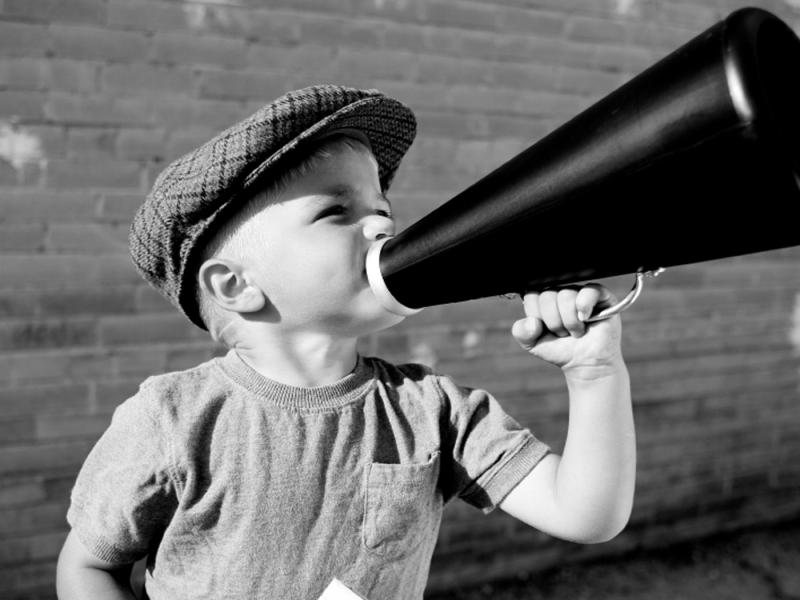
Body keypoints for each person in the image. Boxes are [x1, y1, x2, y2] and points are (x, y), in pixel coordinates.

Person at [55, 85, 635, 600]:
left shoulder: (433, 410)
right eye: (337, 210)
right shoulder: (172, 419)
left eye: (382, 209)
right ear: (236, 286)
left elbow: (586, 515)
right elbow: (88, 567)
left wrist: (595, 373)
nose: (384, 226)